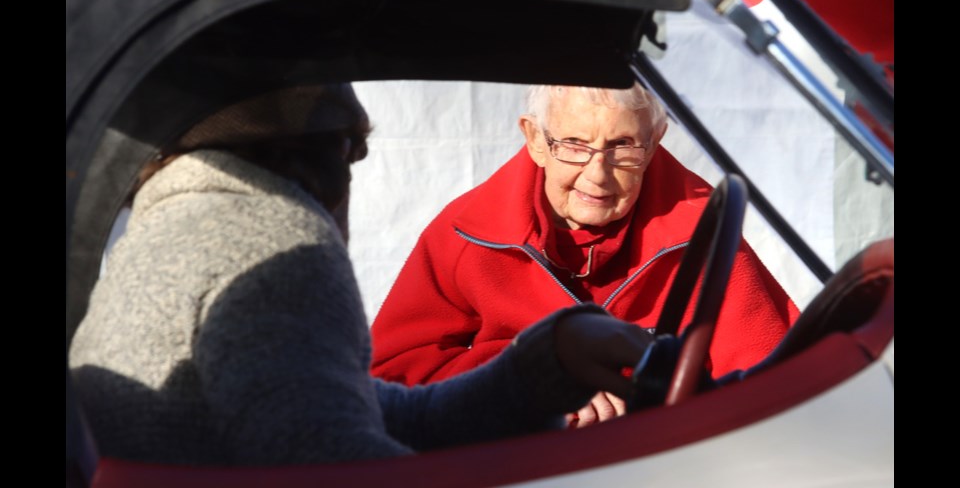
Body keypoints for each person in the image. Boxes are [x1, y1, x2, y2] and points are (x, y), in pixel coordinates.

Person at [67, 83, 655, 466]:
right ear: (329, 155)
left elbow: (379, 412)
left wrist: (543, 366)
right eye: (353, 152)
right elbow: (336, 466)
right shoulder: (266, 240)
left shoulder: (189, 226)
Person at [370, 82, 800, 426]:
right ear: (535, 138)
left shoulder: (701, 232)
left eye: (623, 145)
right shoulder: (469, 233)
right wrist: (535, 375)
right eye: (575, 143)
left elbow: (774, 379)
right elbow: (392, 378)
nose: (598, 174)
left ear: (653, 142)